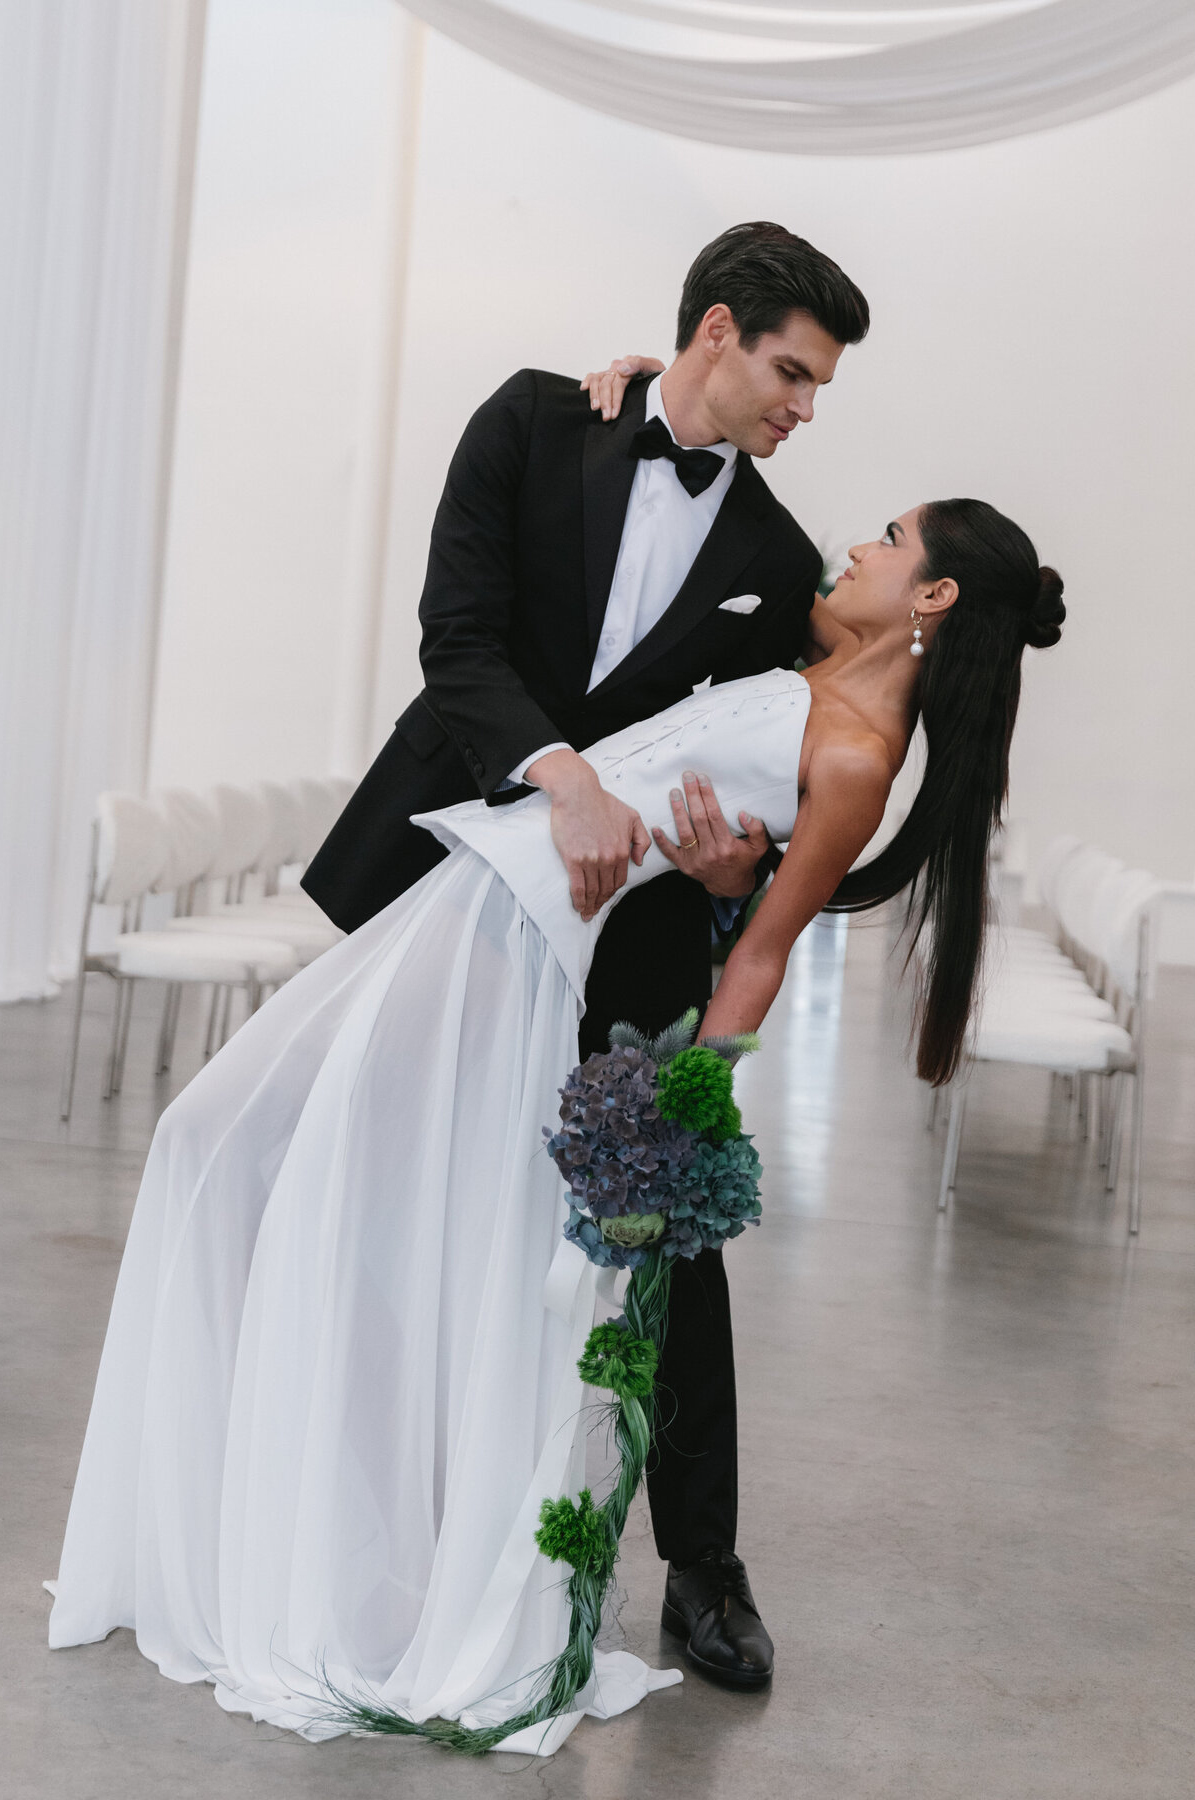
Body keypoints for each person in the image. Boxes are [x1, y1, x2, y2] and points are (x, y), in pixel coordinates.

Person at [47, 496, 1063, 1756]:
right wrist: (634, 383)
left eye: (891, 539)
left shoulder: (856, 754)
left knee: (238, 1139)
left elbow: (758, 956)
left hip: (520, 945)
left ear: (934, 598)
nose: (857, 543)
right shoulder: (800, 657)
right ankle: (225, 1511)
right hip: (469, 890)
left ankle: (323, 1545)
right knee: (231, 1139)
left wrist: (695, 1103)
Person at [299, 222, 871, 1689]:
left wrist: (737, 875)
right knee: (381, 1184)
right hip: (441, 863)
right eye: (790, 374)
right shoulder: (536, 419)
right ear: (718, 331)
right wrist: (566, 780)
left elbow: (813, 752)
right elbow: (458, 642)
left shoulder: (780, 555)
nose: (803, 411)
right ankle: (362, 1503)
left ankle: (703, 1566)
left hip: (632, 939)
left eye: (817, 390)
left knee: (665, 1228)